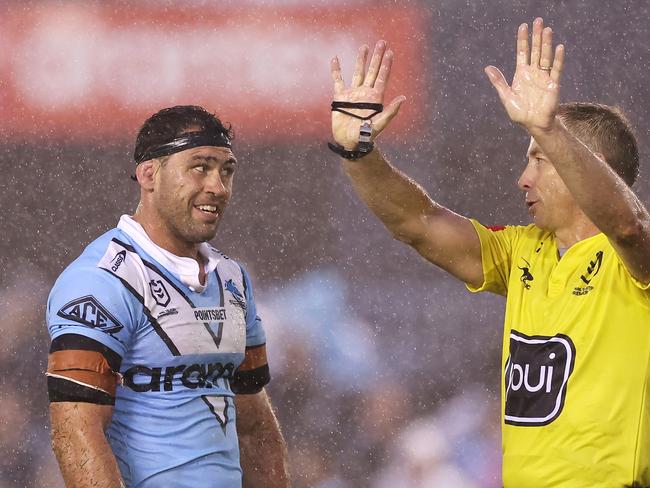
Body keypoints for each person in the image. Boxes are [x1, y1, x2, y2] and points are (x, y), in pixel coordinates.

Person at [329, 18, 649, 488]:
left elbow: (627, 224)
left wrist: (550, 131)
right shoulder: (522, 250)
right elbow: (417, 224)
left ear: (588, 165)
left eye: (538, 159)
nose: (523, 178)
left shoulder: (632, 255)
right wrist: (358, 153)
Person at [46, 106, 290, 488]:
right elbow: (75, 433)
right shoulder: (101, 280)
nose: (218, 186)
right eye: (200, 166)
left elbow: (255, 427)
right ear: (149, 174)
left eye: (226, 170)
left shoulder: (233, 279)